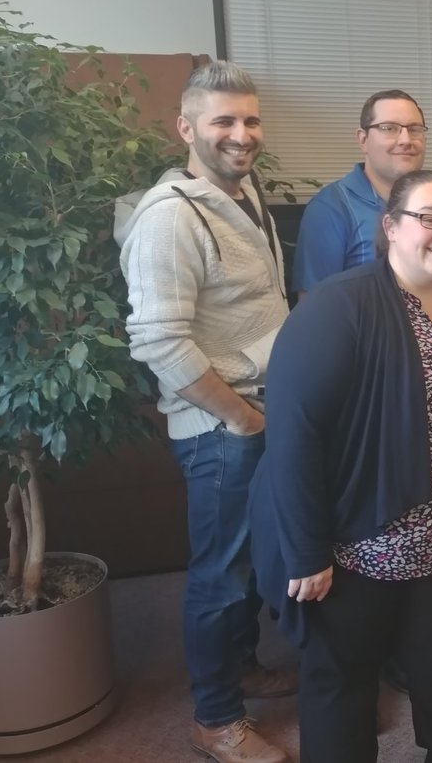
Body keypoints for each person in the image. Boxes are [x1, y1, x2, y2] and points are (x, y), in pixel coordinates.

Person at [250, 170, 432, 763]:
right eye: (431, 218)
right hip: (356, 552)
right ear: (391, 226)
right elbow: (294, 436)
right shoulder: (340, 307)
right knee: (343, 688)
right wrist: (307, 552)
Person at [116, 61, 293, 763]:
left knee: (246, 562)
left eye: (249, 120)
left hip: (256, 411)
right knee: (220, 576)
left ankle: (242, 668)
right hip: (221, 428)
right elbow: (157, 337)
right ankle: (215, 717)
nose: (240, 134)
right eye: (223, 121)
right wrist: (240, 418)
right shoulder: (170, 217)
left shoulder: (242, 194)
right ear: (186, 127)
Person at [292, 89, 427, 296]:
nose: (405, 140)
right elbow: (313, 305)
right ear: (363, 139)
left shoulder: (429, 203)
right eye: (389, 128)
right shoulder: (331, 208)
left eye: (414, 129)